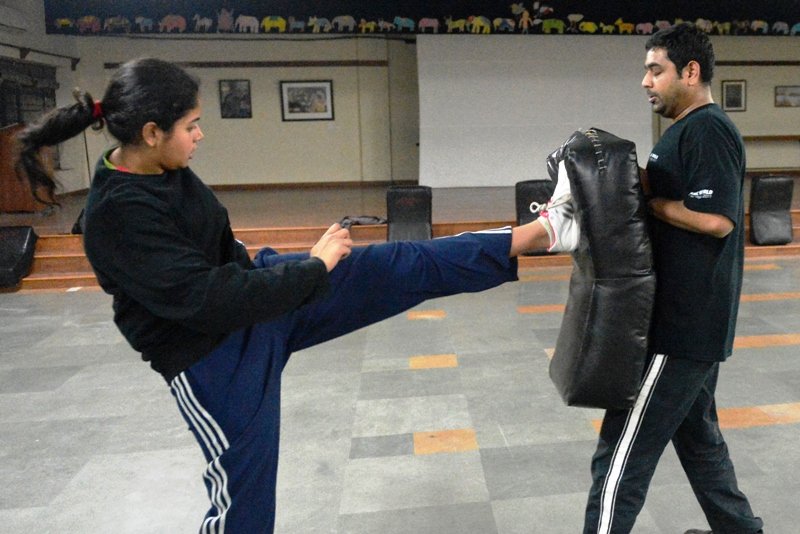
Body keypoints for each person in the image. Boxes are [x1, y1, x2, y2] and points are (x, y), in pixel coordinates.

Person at [15, 58, 579, 534]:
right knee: (246, 503)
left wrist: (300, 269)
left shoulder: (165, 168)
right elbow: (208, 299)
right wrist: (311, 268)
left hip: (259, 296)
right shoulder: (116, 216)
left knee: (400, 264)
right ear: (151, 133)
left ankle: (546, 233)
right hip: (212, 358)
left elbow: (222, 257)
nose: (200, 135)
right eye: (191, 125)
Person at [582, 23, 763, 534]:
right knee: (699, 442)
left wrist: (653, 202)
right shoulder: (682, 131)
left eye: (655, 70)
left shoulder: (709, 129)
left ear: (690, 71)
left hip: (682, 327)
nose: (646, 81)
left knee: (620, 453)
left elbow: (718, 220)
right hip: (689, 325)